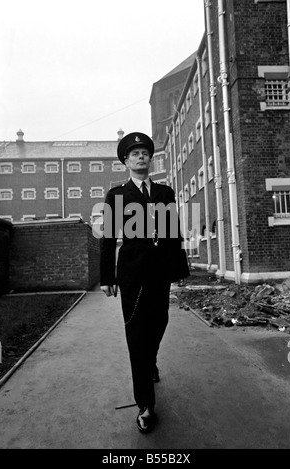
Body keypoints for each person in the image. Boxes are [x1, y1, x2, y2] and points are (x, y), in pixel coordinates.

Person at [100, 132, 190, 433]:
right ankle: (146, 405)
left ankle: (149, 360)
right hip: (132, 274)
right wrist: (107, 278)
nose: (141, 157)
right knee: (136, 335)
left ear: (150, 159)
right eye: (135, 153)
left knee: (160, 322)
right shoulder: (117, 195)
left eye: (145, 153)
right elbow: (109, 239)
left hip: (160, 272)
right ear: (126, 161)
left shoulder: (165, 193)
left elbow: (172, 232)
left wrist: (179, 272)